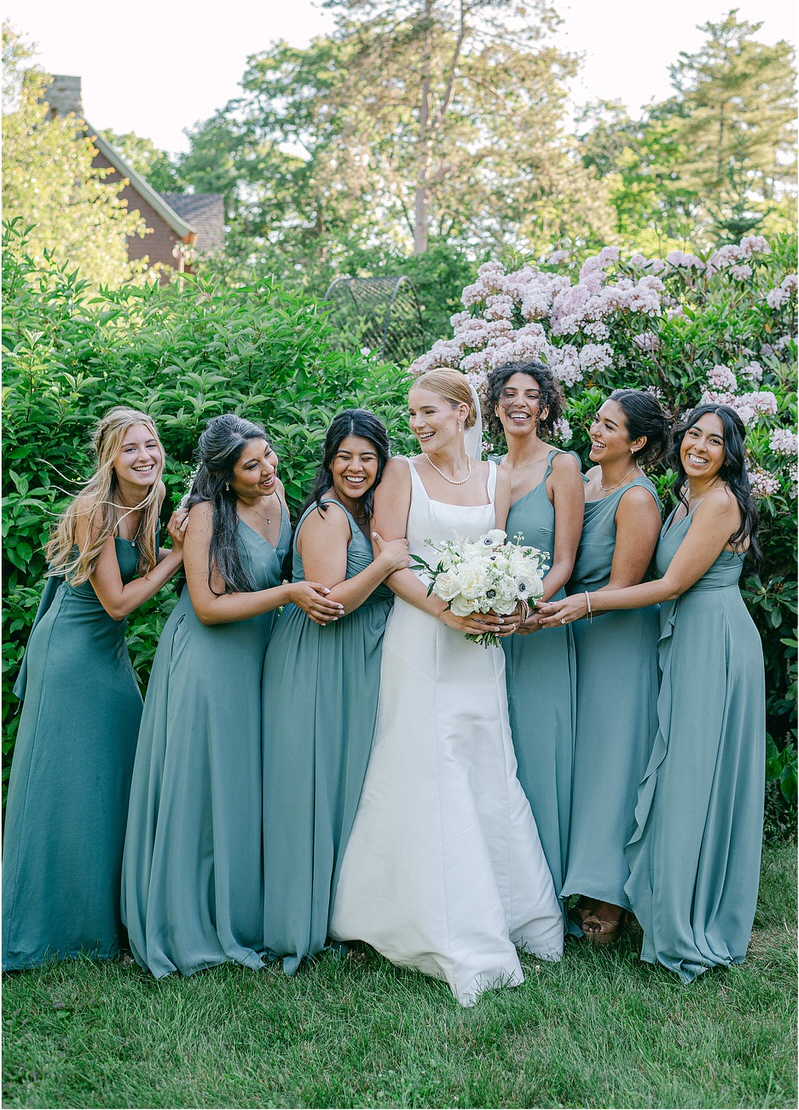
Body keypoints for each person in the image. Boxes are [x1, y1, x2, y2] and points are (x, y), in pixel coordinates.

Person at [330, 368, 564, 1007]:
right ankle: (423, 920)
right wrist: (446, 610)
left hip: (479, 645)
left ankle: (513, 911)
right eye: (411, 415)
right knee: (425, 764)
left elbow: (500, 557)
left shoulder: (497, 479)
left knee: (487, 762)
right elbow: (393, 561)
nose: (417, 424)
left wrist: (506, 600)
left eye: (428, 411)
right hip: (423, 637)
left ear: (463, 411)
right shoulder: (400, 473)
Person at [538, 405, 765, 980]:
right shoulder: (684, 499)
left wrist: (583, 603)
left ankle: (685, 912)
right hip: (683, 636)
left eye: (715, 441)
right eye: (694, 435)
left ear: (730, 453)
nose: (700, 447)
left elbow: (667, 583)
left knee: (693, 773)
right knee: (674, 770)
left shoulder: (718, 502)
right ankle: (658, 894)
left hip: (712, 641)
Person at [121, 414, 344, 978]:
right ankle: (187, 916)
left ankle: (246, 908)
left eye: (267, 455)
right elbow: (208, 607)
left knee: (245, 784)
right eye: (252, 466)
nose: (268, 469)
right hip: (208, 661)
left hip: (260, 658)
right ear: (224, 477)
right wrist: (290, 593)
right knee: (203, 785)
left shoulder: (279, 497)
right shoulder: (203, 515)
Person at [3, 408, 186, 971]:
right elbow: (119, 601)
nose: (145, 456)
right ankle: (46, 925)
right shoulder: (95, 510)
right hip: (71, 656)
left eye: (151, 445)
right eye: (131, 449)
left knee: (114, 776)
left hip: (106, 654)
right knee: (68, 786)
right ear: (109, 457)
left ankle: (108, 918)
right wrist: (181, 555)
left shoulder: (148, 505)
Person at [262, 410, 409, 974]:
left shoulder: (367, 512)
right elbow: (328, 605)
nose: (356, 467)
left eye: (368, 457)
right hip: (318, 659)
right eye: (345, 456)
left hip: (357, 661)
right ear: (328, 461)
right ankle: (298, 921)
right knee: (312, 786)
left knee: (345, 786)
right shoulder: (326, 515)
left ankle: (339, 912)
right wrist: (388, 562)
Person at [545, 389, 670, 945]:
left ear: (637, 442)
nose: (595, 432)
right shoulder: (587, 483)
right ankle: (578, 880)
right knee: (583, 766)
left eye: (610, 427)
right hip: (575, 638)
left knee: (613, 768)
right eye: (596, 421)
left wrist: (573, 607)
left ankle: (609, 899)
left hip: (617, 642)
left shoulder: (637, 500)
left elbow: (625, 588)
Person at [487, 362, 584, 925]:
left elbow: (566, 561)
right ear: (494, 406)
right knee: (499, 754)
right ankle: (504, 891)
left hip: (542, 628)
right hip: (491, 633)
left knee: (541, 753)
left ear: (545, 408)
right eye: (509, 394)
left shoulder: (562, 465)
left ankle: (550, 896)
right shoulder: (485, 470)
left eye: (532, 396)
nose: (519, 403)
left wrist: (529, 609)